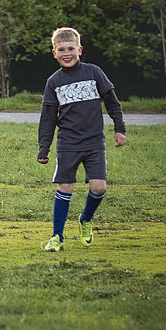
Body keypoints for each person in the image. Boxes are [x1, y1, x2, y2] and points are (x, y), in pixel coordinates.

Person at [37, 27, 127, 254]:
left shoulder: (94, 72)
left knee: (98, 188)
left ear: (80, 50)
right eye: (61, 50)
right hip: (68, 143)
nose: (66, 53)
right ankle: (57, 236)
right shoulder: (53, 82)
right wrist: (43, 148)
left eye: (71, 48)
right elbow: (48, 117)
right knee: (65, 187)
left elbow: (112, 102)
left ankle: (85, 219)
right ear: (54, 53)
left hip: (94, 142)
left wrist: (119, 128)